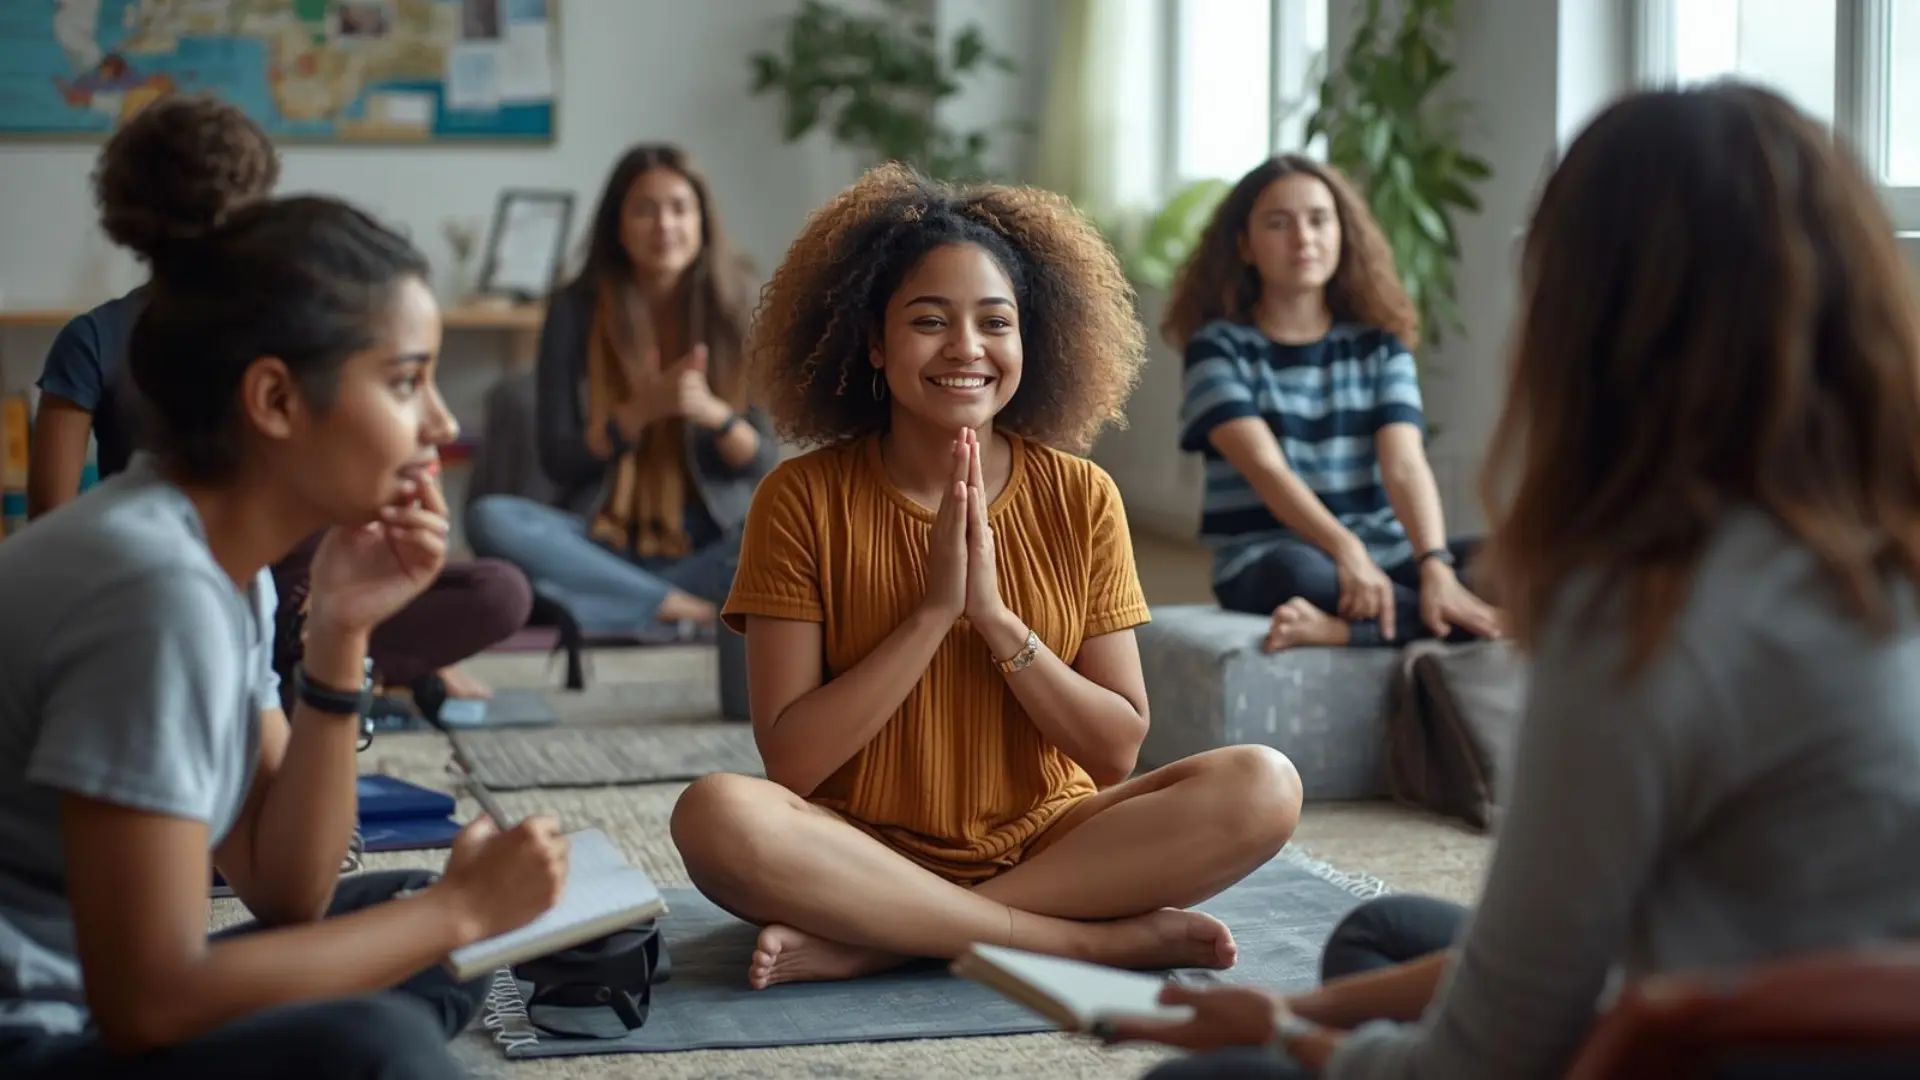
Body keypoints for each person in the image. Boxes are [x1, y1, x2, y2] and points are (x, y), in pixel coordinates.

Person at [1108, 81, 1920, 1079]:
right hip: (1838, 1013)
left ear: (1585, 314)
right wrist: (1301, 1004)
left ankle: (1398, 609)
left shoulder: (1645, 606)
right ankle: (1435, 611)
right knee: (1388, 932)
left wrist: (1284, 1035)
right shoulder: (1879, 537)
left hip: (1708, 1042)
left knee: (1206, 1077)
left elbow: (1479, 1063)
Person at [669, 164, 1304, 990]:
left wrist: (998, 621)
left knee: (1264, 784)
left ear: (1028, 342)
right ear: (874, 342)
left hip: (1054, 840)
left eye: (994, 322)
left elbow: (1116, 749)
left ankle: (897, 939)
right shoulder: (799, 499)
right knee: (716, 814)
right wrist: (933, 614)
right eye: (929, 320)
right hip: (857, 849)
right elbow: (790, 763)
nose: (966, 348)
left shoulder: (1081, 496)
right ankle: (1071, 942)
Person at [0, 195, 569, 1078]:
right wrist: (461, 912)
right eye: (406, 381)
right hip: (34, 1031)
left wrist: (340, 634)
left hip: (89, 998)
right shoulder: (150, 593)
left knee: (409, 926)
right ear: (273, 399)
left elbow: (284, 889)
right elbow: (148, 1003)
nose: (443, 425)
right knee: (386, 1032)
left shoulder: (227, 567)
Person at [29, 91, 529, 705]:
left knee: (494, 589)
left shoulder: (281, 326)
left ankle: (332, 668)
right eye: (406, 381)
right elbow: (53, 518)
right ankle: (344, 672)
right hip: (201, 569)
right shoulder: (106, 343)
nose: (442, 422)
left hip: (285, 577)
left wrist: (342, 603)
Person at [1164, 155, 1501, 652]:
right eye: (1279, 223)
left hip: (1384, 555)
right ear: (1244, 245)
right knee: (1301, 572)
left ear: (1343, 234)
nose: (1303, 238)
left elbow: (1404, 465)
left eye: (1319, 220)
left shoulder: (1381, 345)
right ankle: (1473, 622)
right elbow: (1267, 469)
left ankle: (1346, 630)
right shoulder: (1217, 347)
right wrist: (1347, 550)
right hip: (1270, 559)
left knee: (1512, 564)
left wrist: (1433, 563)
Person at [464, 144, 778, 643]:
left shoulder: (737, 303)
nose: (664, 226)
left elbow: (761, 461)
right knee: (492, 518)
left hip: (706, 542)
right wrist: (634, 416)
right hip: (600, 536)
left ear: (702, 220)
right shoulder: (574, 310)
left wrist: (711, 414)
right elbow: (558, 460)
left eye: (679, 208)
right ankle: (682, 612)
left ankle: (612, 605)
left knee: (782, 535)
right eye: (644, 210)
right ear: (617, 222)